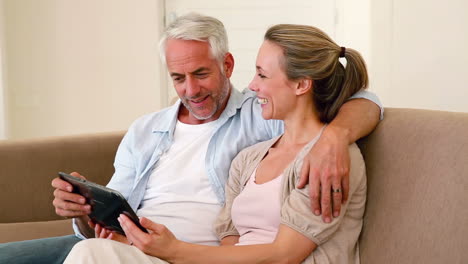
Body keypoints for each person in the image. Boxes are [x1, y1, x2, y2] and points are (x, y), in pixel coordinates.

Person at [0, 13, 381, 264]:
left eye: (201, 74)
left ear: (226, 64)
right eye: (178, 78)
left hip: (183, 252)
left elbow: (362, 99)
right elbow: (110, 221)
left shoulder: (261, 117)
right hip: (132, 248)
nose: (190, 90)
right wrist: (85, 215)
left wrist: (336, 137)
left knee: (88, 256)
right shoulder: (148, 131)